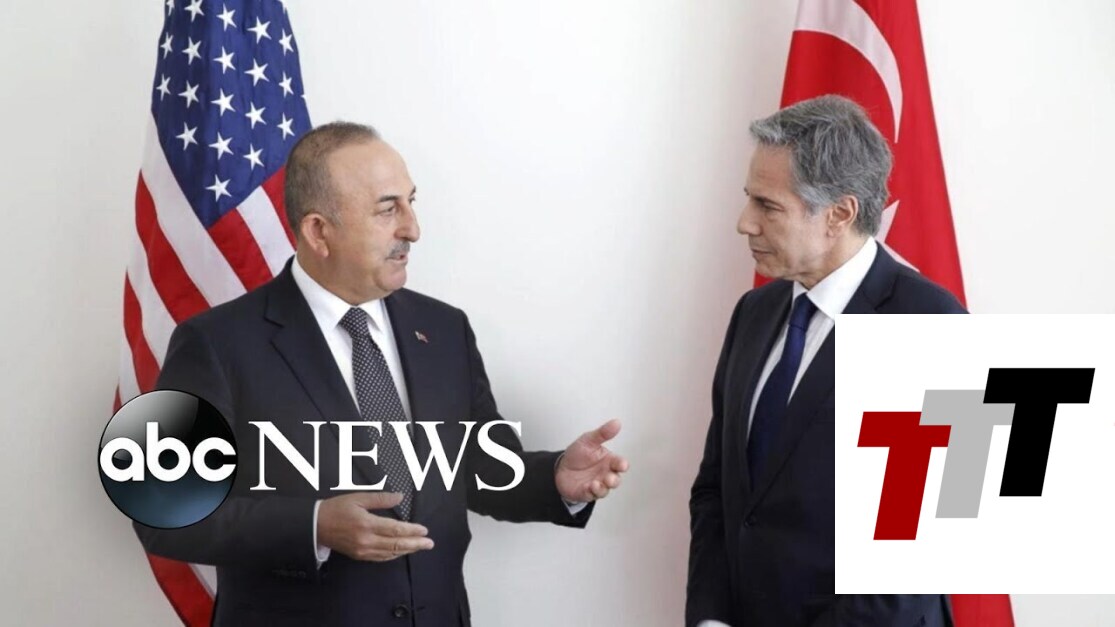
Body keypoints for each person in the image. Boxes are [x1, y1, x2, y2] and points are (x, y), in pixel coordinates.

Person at [134, 122, 629, 626]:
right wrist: (314, 526)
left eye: (411, 202)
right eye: (388, 209)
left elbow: (478, 469)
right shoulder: (216, 343)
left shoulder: (445, 329)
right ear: (318, 231)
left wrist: (554, 480)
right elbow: (161, 510)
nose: (413, 229)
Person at [686, 95, 961, 627]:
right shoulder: (753, 313)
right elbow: (717, 490)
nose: (744, 223)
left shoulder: (931, 325)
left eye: (767, 206)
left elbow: (908, 566)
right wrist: (711, 618)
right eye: (748, 200)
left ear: (839, 214)